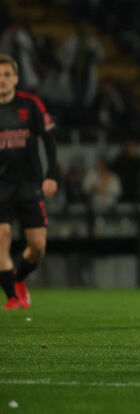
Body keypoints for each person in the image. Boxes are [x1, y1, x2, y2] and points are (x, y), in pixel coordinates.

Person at [0, 54, 60, 310]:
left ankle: (19, 279)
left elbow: (49, 141)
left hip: (29, 185)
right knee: (2, 236)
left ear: (16, 78)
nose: (2, 80)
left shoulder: (30, 104)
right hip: (0, 187)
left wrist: (52, 175)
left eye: (6, 75)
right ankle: (13, 297)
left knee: (37, 246)